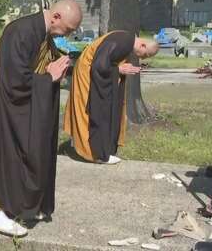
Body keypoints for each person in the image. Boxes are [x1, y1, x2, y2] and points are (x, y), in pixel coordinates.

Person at [0, 0, 82, 237]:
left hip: (3, 94)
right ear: (55, 16)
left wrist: (54, 67)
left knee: (6, 151)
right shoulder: (22, 31)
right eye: (68, 29)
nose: (68, 34)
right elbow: (16, 82)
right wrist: (48, 77)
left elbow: (34, 66)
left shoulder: (42, 32)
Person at [64, 32, 159, 164]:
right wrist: (118, 70)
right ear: (142, 45)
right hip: (87, 74)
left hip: (88, 71)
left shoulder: (125, 39)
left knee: (95, 109)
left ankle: (97, 148)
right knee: (92, 110)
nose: (142, 58)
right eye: (145, 54)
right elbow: (99, 67)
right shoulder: (124, 43)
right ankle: (95, 153)